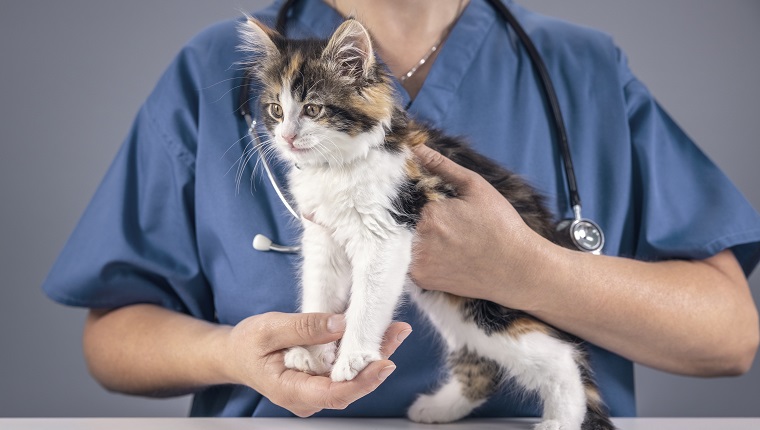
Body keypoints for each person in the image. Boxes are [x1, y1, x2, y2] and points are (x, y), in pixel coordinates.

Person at [43, 0, 760, 419]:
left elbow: (731, 339)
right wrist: (228, 354)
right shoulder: (214, 71)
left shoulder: (583, 66)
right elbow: (111, 339)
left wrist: (528, 270)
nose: (284, 129)